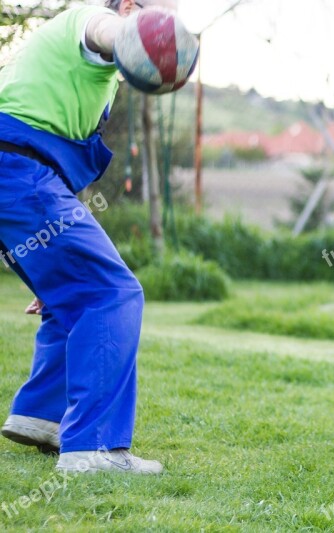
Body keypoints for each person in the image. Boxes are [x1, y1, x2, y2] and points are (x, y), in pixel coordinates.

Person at [0, 0, 176, 474]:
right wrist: (131, 34)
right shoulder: (89, 23)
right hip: (17, 170)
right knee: (112, 294)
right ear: (128, 7)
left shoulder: (95, 77)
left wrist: (51, 267)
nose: (169, 26)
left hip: (20, 178)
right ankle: (94, 449)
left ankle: (43, 416)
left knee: (71, 297)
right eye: (161, 13)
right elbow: (104, 30)